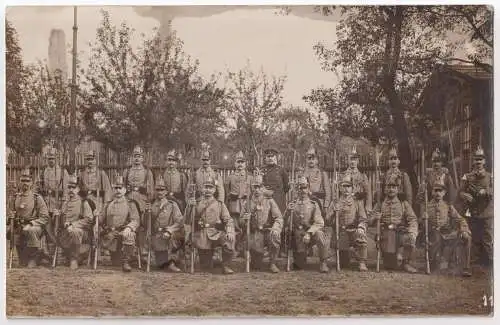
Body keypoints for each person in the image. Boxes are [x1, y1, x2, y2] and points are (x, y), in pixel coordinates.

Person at [423, 177, 472, 277]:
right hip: (433, 236)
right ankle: (438, 263)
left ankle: (465, 268)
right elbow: (420, 224)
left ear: (444, 192)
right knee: (439, 266)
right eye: (435, 190)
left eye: (440, 191)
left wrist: (464, 230)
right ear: (432, 192)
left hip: (446, 234)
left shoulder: (448, 206)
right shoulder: (426, 206)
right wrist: (424, 219)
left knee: (466, 237)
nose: (437, 193)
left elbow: (460, 219)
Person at [370, 174, 419, 273]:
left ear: (397, 189)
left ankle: (405, 263)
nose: (391, 189)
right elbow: (369, 220)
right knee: (391, 265)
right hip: (385, 234)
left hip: (400, 231)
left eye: (394, 187)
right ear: (385, 189)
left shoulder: (403, 203)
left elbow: (413, 219)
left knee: (409, 238)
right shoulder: (380, 203)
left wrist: (412, 231)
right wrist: (375, 217)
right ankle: (393, 258)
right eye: (389, 187)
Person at [187, 176, 235, 274]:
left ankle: (226, 265)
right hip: (201, 234)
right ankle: (212, 261)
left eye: (210, 187)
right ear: (202, 189)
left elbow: (228, 219)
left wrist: (229, 231)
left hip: (216, 233)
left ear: (214, 190)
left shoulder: (219, 204)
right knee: (206, 267)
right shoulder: (196, 203)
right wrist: (189, 206)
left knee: (228, 240)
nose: (208, 190)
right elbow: (187, 220)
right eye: (206, 187)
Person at [457, 145, 493, 268]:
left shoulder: (490, 176)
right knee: (476, 236)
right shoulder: (467, 176)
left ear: (484, 161)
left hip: (487, 211)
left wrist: (486, 191)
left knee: (488, 237)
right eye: (476, 159)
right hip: (473, 211)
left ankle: (490, 261)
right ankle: (476, 261)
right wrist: (465, 195)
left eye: (480, 159)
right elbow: (460, 192)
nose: (478, 162)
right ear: (473, 161)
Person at [285, 175, 329, 273]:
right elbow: (285, 222)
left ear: (308, 188)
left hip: (311, 233)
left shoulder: (314, 204)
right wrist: (288, 212)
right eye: (300, 188)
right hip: (298, 235)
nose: (303, 190)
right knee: (299, 266)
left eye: (305, 188)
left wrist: (309, 233)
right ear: (297, 190)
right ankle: (301, 255)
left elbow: (319, 223)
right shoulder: (292, 204)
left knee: (320, 234)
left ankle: (323, 262)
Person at [241, 172, 283, 273]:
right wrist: (244, 219)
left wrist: (276, 228)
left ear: (263, 187)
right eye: (255, 187)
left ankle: (272, 263)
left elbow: (279, 218)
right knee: (256, 266)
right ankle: (256, 257)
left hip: (267, 230)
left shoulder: (269, 201)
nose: (257, 190)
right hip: (254, 233)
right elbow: (240, 222)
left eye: (259, 187)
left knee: (275, 237)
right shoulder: (247, 202)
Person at [326, 173, 368, 271]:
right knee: (344, 264)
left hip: (353, 231)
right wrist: (334, 212)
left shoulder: (357, 202)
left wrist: (361, 228)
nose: (346, 189)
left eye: (348, 186)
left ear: (352, 188)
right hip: (340, 232)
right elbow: (327, 220)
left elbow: (363, 219)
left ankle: (362, 262)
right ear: (340, 188)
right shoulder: (335, 202)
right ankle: (348, 254)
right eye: (344, 186)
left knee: (361, 235)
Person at [99, 175, 140, 272]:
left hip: (124, 232)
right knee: (116, 262)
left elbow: (135, 220)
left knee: (130, 235)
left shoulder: (130, 203)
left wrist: (129, 228)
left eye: (120, 188)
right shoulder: (108, 204)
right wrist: (96, 215)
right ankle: (123, 257)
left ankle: (126, 261)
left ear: (124, 190)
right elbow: (101, 220)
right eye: (115, 188)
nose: (117, 190)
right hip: (111, 235)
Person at [10, 168, 50, 268]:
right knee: (22, 263)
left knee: (30, 230)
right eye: (23, 180)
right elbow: (8, 214)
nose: (25, 183)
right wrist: (10, 217)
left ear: (31, 183)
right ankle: (24, 256)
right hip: (19, 225)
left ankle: (34, 257)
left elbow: (45, 217)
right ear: (19, 182)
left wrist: (32, 223)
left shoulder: (37, 198)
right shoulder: (15, 197)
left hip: (35, 226)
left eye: (27, 181)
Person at [54, 175, 93, 270]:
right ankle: (72, 255)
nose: (71, 189)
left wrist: (73, 225)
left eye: (73, 187)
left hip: (81, 232)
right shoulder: (65, 202)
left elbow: (88, 219)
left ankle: (74, 259)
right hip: (66, 231)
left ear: (78, 188)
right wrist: (57, 215)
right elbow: (61, 219)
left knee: (74, 232)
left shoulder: (83, 202)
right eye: (69, 187)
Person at [123, 145, 154, 263]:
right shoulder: (127, 171)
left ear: (143, 158)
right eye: (135, 156)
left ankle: (143, 253)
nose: (137, 159)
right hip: (128, 199)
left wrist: (148, 202)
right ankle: (129, 252)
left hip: (141, 201)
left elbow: (150, 191)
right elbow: (123, 186)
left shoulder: (147, 172)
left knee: (141, 226)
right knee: (128, 224)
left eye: (139, 156)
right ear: (132, 158)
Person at [148, 176, 184, 272]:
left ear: (166, 191)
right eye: (157, 190)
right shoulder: (151, 205)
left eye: (162, 190)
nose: (159, 192)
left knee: (174, 238)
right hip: (157, 234)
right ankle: (164, 262)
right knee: (160, 264)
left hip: (169, 233)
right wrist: (147, 213)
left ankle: (172, 262)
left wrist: (170, 230)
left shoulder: (172, 204)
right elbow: (146, 223)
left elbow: (180, 221)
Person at [224, 150, 252, 256]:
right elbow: (227, 194)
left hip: (245, 206)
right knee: (235, 228)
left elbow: (253, 193)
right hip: (234, 206)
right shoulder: (230, 177)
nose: (240, 164)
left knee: (246, 228)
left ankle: (243, 249)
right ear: (235, 163)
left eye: (242, 162)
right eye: (238, 162)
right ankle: (234, 249)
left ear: (245, 164)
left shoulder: (250, 177)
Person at [78, 149, 112, 214]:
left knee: (97, 221)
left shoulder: (101, 173)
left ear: (95, 160)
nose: (90, 161)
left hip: (98, 203)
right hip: (85, 203)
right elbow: (79, 190)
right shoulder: (82, 174)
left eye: (92, 159)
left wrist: (105, 206)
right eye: (88, 159)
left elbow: (107, 190)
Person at [340, 145, 372, 212]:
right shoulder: (342, 175)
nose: (352, 162)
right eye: (351, 159)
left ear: (358, 161)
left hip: (359, 206)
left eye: (354, 160)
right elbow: (337, 191)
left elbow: (368, 193)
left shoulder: (363, 176)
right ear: (348, 160)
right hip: (345, 205)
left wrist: (368, 208)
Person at [303, 145, 331, 212]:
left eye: (313, 159)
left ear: (317, 160)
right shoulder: (303, 174)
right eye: (309, 159)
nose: (311, 161)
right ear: (306, 160)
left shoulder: (322, 173)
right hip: (306, 203)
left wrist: (326, 205)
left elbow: (328, 191)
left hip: (319, 202)